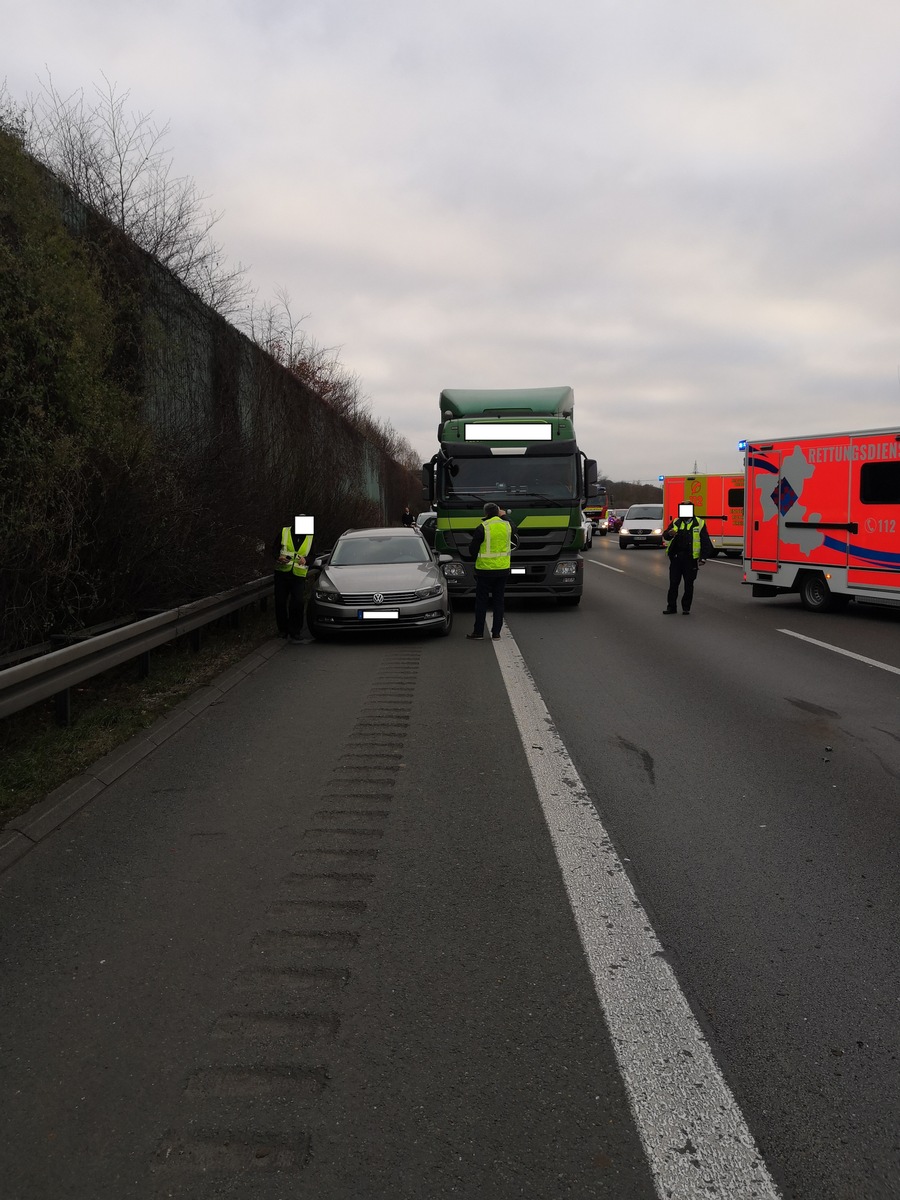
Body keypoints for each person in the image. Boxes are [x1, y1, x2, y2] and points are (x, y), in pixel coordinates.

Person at [466, 503, 519, 640]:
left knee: (481, 602)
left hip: (484, 571)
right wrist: (504, 515)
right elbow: (514, 526)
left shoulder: (482, 527)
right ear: (498, 512)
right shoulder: (507, 526)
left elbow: (472, 550)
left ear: (485, 514)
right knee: (498, 601)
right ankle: (496, 633)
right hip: (502, 570)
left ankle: (478, 632)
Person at [662, 502, 713, 615]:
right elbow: (665, 535)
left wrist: (703, 557)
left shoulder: (699, 523)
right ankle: (671, 607)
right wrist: (670, 534)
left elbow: (705, 541)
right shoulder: (676, 522)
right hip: (676, 558)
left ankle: (686, 607)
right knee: (673, 583)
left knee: (688, 584)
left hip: (690, 559)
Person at [272, 515, 313, 642]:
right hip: (282, 573)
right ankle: (283, 631)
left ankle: (295, 631)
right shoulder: (284, 532)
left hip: (298, 575)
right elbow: (274, 549)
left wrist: (306, 560)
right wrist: (278, 557)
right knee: (280, 602)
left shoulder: (310, 537)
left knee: (298, 602)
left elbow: (313, 554)